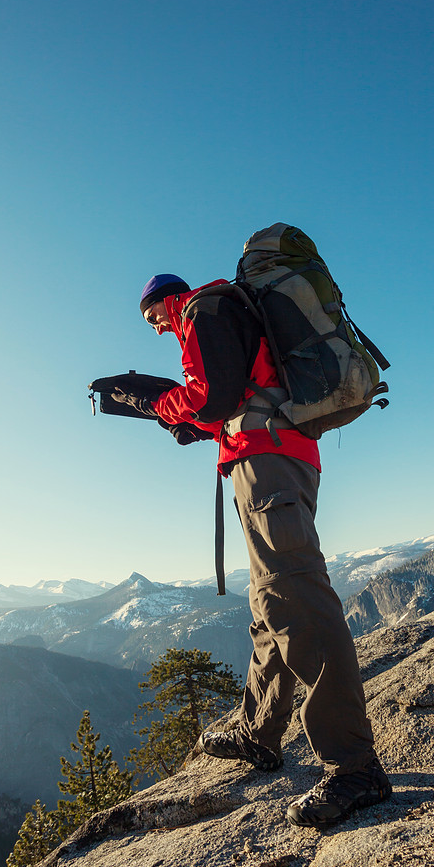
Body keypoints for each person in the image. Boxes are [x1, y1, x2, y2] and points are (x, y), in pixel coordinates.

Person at [111, 272, 392, 828]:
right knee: (270, 601)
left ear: (167, 299)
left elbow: (208, 396)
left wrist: (164, 406)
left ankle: (354, 763)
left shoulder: (201, 311)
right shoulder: (228, 316)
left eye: (154, 315)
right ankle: (260, 731)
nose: (158, 326)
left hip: (268, 464)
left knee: (293, 595)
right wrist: (198, 421)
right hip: (276, 457)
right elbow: (226, 400)